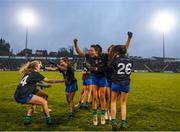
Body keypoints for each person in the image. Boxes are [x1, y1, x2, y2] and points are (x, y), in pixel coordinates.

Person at [14, 60, 64, 125]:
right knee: (44, 102)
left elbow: (29, 83)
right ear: (36, 67)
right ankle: (49, 120)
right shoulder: (35, 73)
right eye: (39, 65)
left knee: (44, 95)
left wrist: (42, 85)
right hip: (24, 94)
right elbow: (48, 80)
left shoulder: (29, 72)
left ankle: (28, 118)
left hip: (20, 93)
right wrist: (62, 80)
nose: (40, 66)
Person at [74, 39, 108, 125]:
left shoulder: (104, 56)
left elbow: (114, 54)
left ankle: (103, 115)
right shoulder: (88, 57)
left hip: (103, 77)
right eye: (89, 51)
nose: (90, 52)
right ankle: (95, 116)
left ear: (96, 51)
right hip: (94, 77)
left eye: (92, 51)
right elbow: (79, 53)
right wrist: (75, 43)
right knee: (94, 97)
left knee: (102, 97)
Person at [109, 45, 133, 130]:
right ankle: (123, 123)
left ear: (117, 52)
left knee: (113, 102)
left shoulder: (116, 59)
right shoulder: (130, 60)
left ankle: (113, 122)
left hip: (116, 82)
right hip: (126, 83)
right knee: (123, 103)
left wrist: (114, 57)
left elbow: (109, 67)